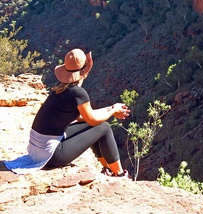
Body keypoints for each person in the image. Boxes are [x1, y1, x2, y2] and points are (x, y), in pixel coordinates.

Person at [3, 48, 130, 178]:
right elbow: (92, 120)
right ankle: (119, 174)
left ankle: (108, 169)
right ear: (85, 70)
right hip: (52, 154)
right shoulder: (78, 93)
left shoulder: (60, 89)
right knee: (104, 127)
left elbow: (85, 116)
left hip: (37, 150)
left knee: (97, 126)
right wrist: (114, 110)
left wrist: (111, 108)